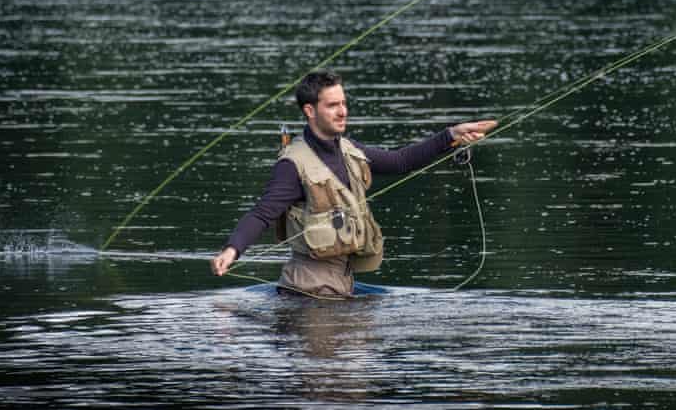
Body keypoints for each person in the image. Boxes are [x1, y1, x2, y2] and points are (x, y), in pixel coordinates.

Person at [210, 70, 496, 297]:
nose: (343, 111)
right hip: (307, 293)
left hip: (338, 287)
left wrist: (451, 134)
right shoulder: (292, 164)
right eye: (333, 105)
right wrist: (231, 251)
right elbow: (262, 213)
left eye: (344, 103)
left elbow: (400, 161)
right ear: (310, 111)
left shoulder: (349, 149)